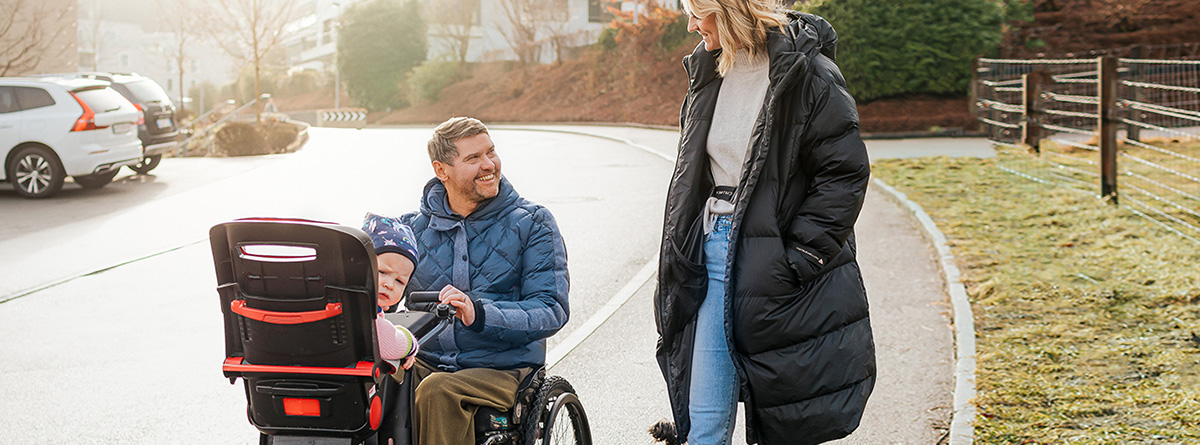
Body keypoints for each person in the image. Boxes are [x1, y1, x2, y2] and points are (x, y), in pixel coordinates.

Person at [652, 2, 876, 444]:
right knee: (705, 421)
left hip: (778, 264)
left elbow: (844, 173)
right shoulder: (708, 72)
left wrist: (799, 257)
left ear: (728, 10)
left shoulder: (808, 73)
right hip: (712, 254)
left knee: (783, 421)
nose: (691, 25)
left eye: (698, 13)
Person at [398, 117, 570, 445]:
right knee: (373, 380)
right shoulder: (411, 230)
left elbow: (551, 309)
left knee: (437, 391)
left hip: (504, 368)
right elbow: (382, 297)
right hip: (428, 359)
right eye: (473, 158)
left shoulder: (533, 223)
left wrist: (480, 314)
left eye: (491, 152)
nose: (489, 164)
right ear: (441, 170)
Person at [362, 212, 421, 369]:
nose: (389, 284)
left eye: (399, 281)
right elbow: (390, 345)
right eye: (382, 272)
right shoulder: (361, 309)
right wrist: (411, 344)